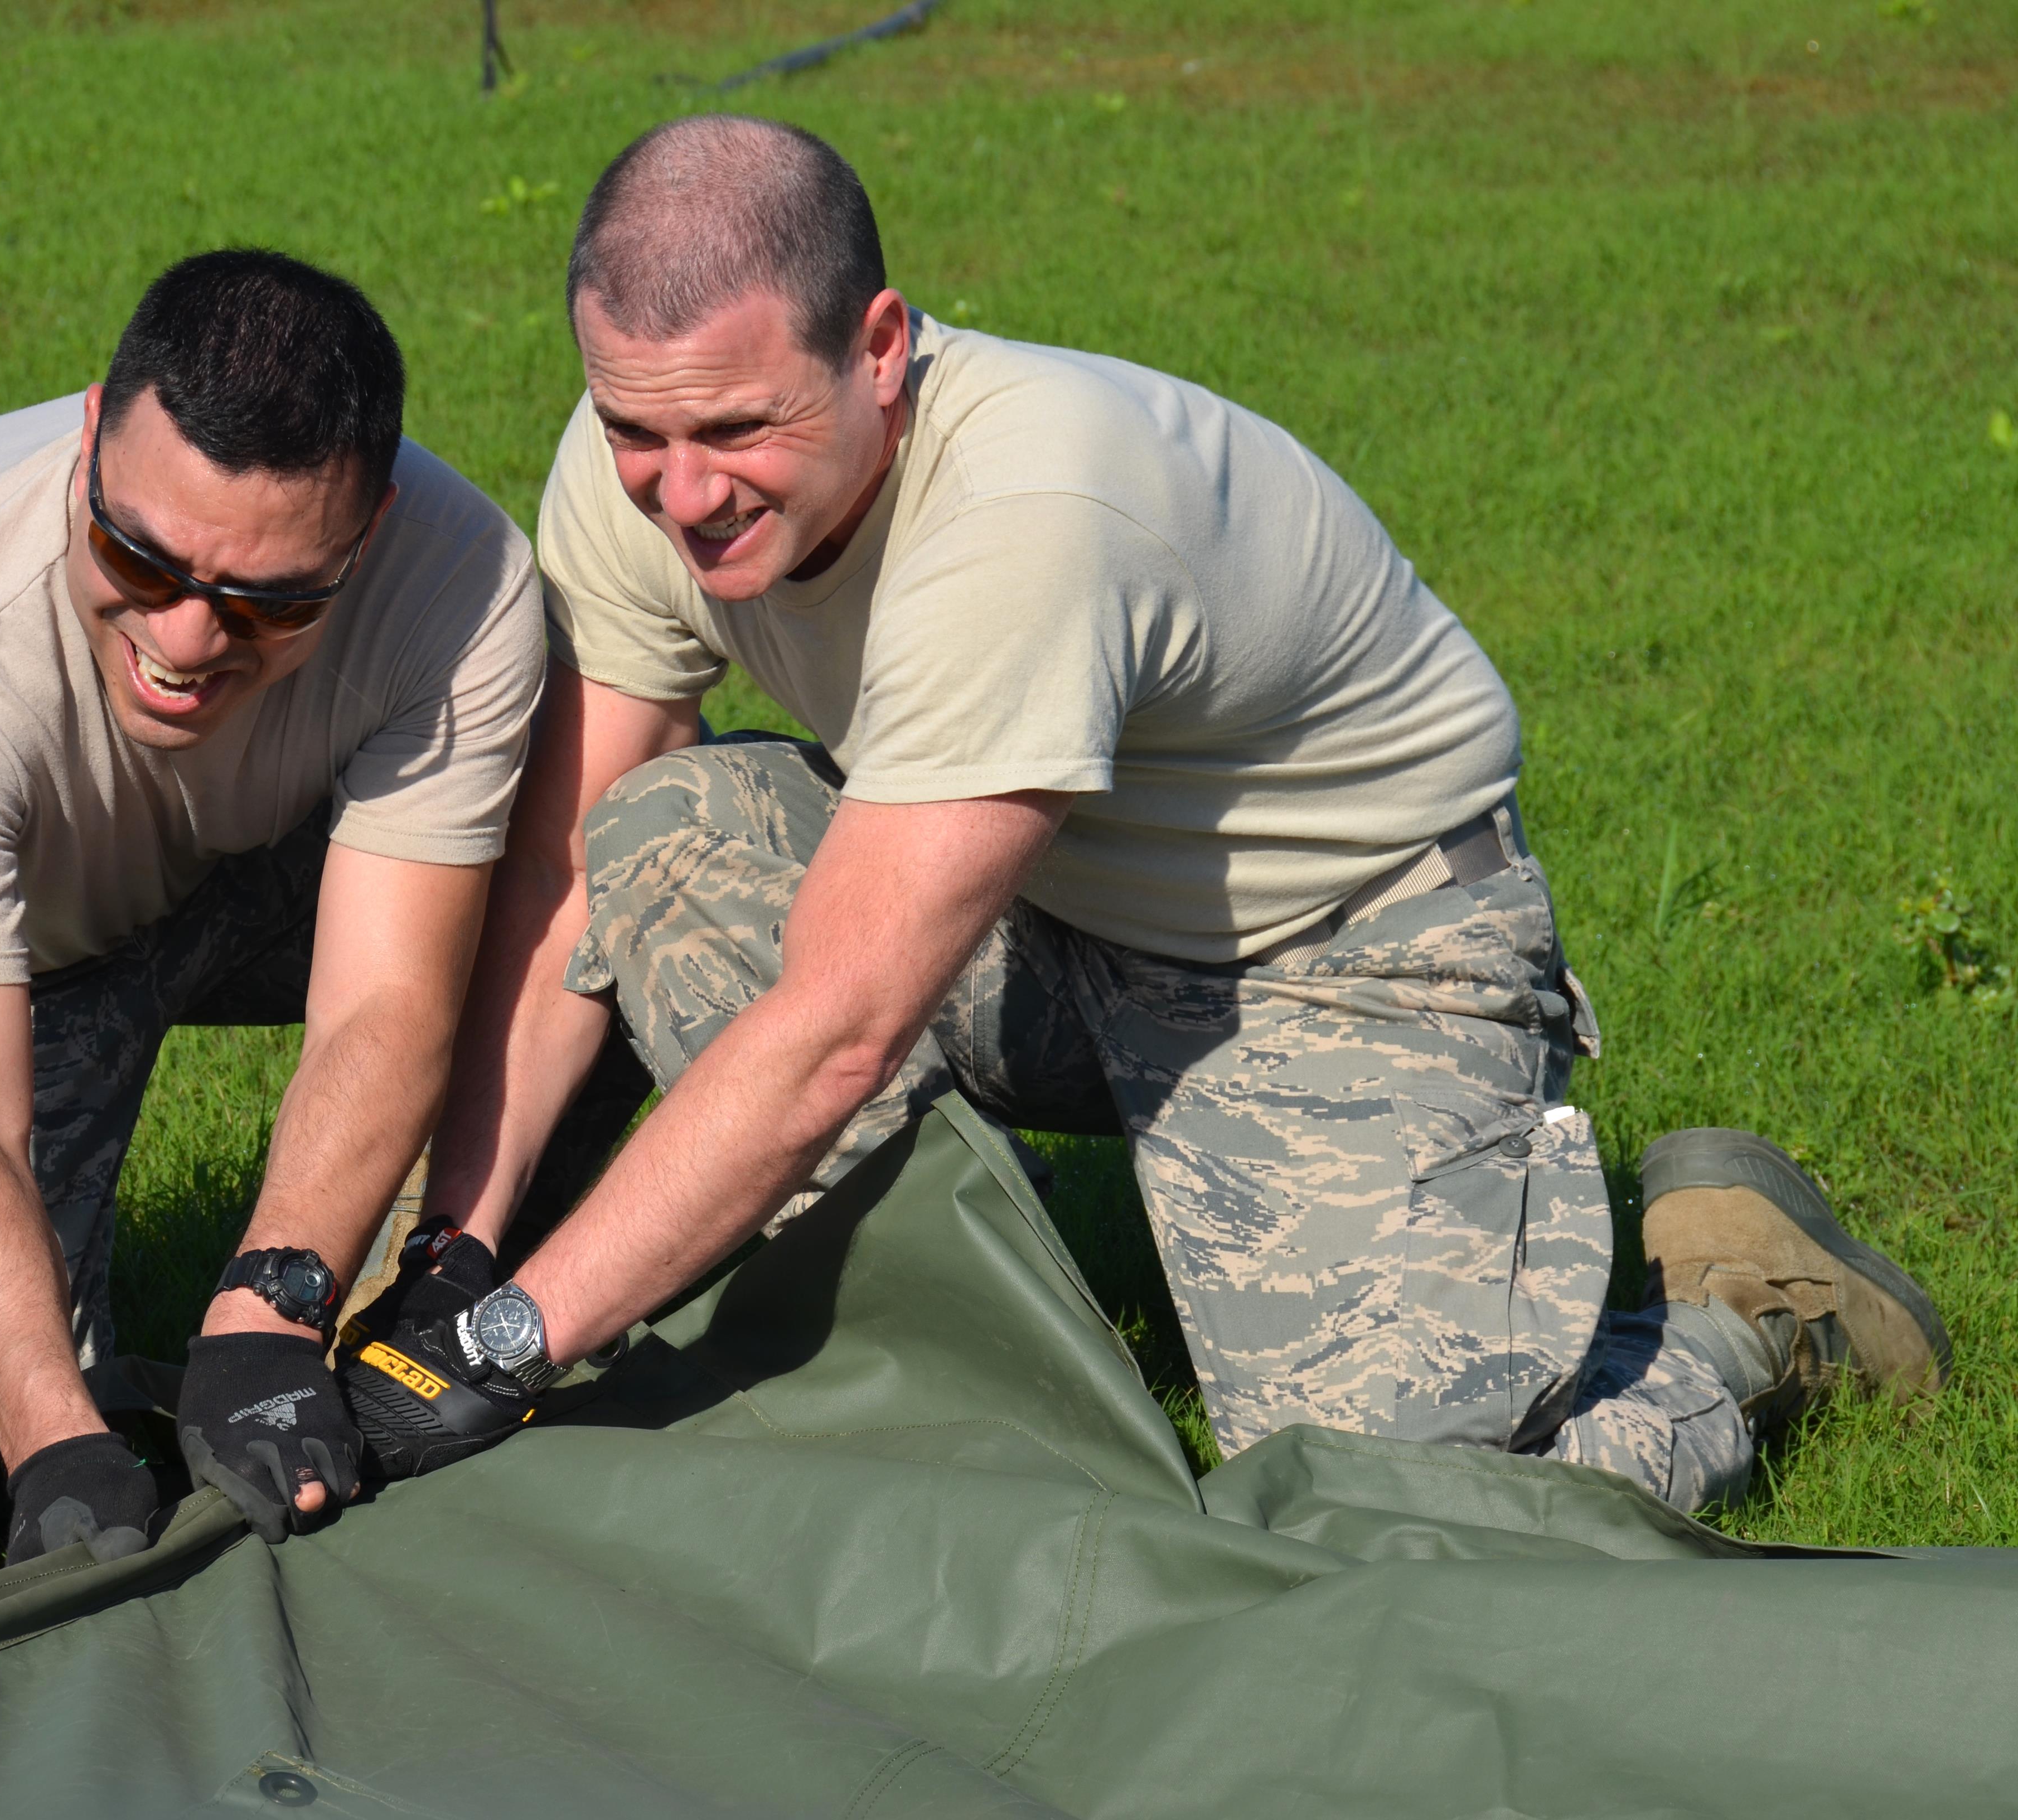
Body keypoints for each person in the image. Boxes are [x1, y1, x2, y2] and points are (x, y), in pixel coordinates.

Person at [333, 117, 1951, 1513]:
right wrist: (449, 1260)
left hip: (1343, 956)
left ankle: (1738, 1307)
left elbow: (836, 1027)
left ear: (881, 348)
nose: (681, 492)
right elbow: (569, 877)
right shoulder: (645, 449)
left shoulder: (1031, 512)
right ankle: (970, 1375)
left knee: (1381, 1512)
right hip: (1037, 909)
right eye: (638, 431)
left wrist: (501, 1351)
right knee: (663, 837)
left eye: (739, 431)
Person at [0, 249, 545, 1558]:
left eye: (270, 600)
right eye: (141, 556)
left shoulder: (459, 583)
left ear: (371, 532)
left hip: (209, 859)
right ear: (90, 434)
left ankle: (459, 1288)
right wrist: (56, 1445)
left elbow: (390, 993)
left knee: (585, 875)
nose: (185, 641)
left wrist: (268, 1309)